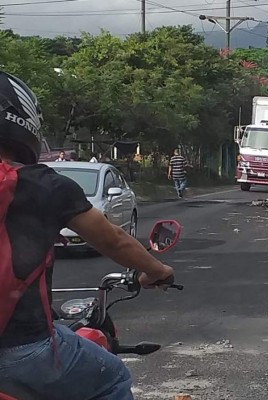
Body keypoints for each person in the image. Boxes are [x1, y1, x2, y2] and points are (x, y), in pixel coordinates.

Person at [0, 71, 175, 399]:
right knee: (113, 378)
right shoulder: (43, 185)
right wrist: (157, 270)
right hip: (22, 347)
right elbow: (113, 239)